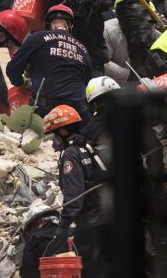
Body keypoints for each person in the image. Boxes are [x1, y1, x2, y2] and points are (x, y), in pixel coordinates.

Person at [44, 105, 109, 277]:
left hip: (91, 224)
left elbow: (74, 199)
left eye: (54, 135)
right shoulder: (90, 146)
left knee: (91, 270)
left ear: (63, 131)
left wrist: (62, 227)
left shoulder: (71, 154)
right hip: (111, 218)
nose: (53, 142)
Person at [6, 5, 93, 118]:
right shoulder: (83, 49)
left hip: (48, 110)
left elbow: (12, 70)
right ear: (70, 26)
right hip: (77, 111)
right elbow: (88, 81)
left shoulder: (37, 38)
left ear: (47, 24)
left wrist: (23, 83)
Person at [19, 204, 60, 278]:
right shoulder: (73, 233)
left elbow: (28, 272)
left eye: (31, 230)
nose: (32, 233)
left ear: (41, 221)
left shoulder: (34, 240)